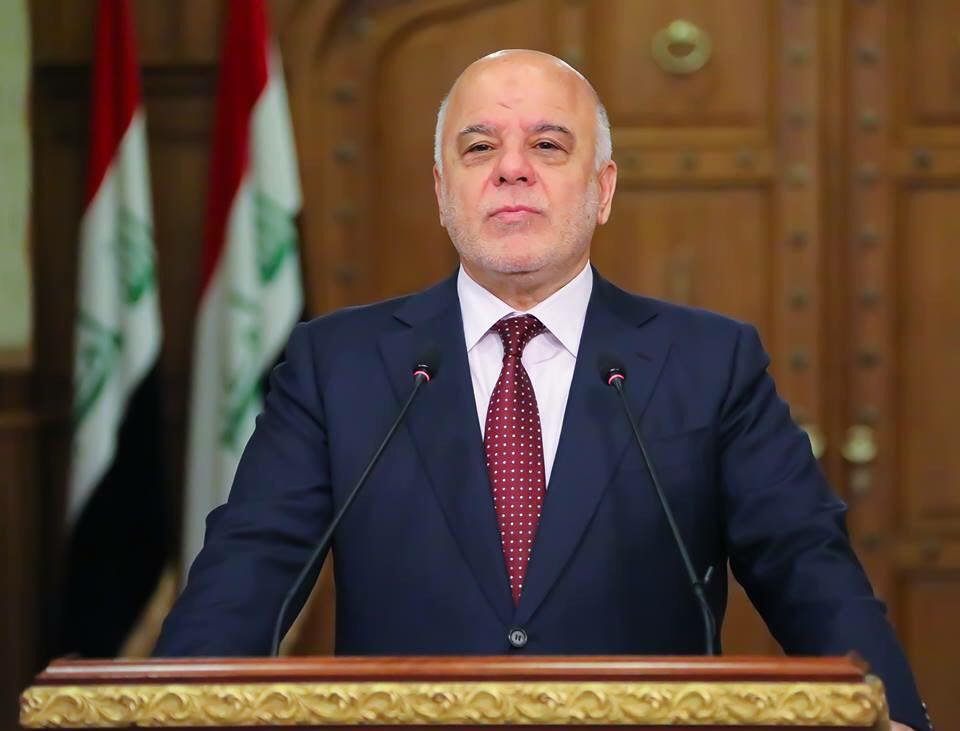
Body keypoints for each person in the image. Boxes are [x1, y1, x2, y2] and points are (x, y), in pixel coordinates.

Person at [155, 50, 929, 731]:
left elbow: (805, 563)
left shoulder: (708, 361)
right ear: (442, 190)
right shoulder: (338, 363)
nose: (512, 168)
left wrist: (888, 711)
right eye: (479, 146)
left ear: (603, 188)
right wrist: (171, 708)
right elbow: (250, 566)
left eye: (548, 145)